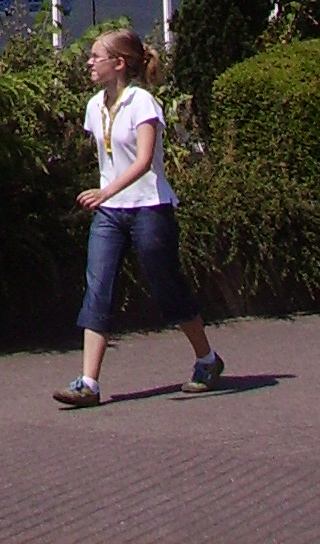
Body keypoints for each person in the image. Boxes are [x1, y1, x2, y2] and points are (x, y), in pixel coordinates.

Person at [54, 25, 223, 409]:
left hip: (149, 208)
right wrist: (105, 196)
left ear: (118, 63)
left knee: (166, 287)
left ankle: (207, 359)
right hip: (110, 215)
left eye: (96, 57)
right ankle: (88, 383)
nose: (89, 63)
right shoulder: (94, 106)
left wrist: (106, 191)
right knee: (98, 287)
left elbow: (144, 161)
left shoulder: (142, 102)